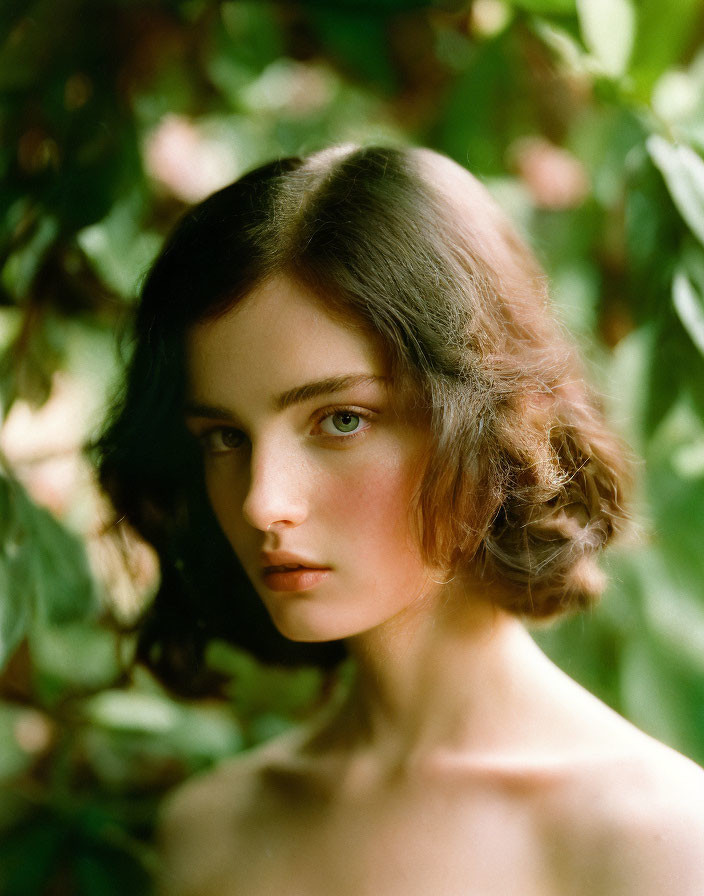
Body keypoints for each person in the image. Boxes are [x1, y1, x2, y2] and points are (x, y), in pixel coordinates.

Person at [97, 144, 704, 895]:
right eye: (225, 436)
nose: (261, 501)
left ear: (495, 419)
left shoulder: (659, 843)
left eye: (341, 420)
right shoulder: (211, 830)